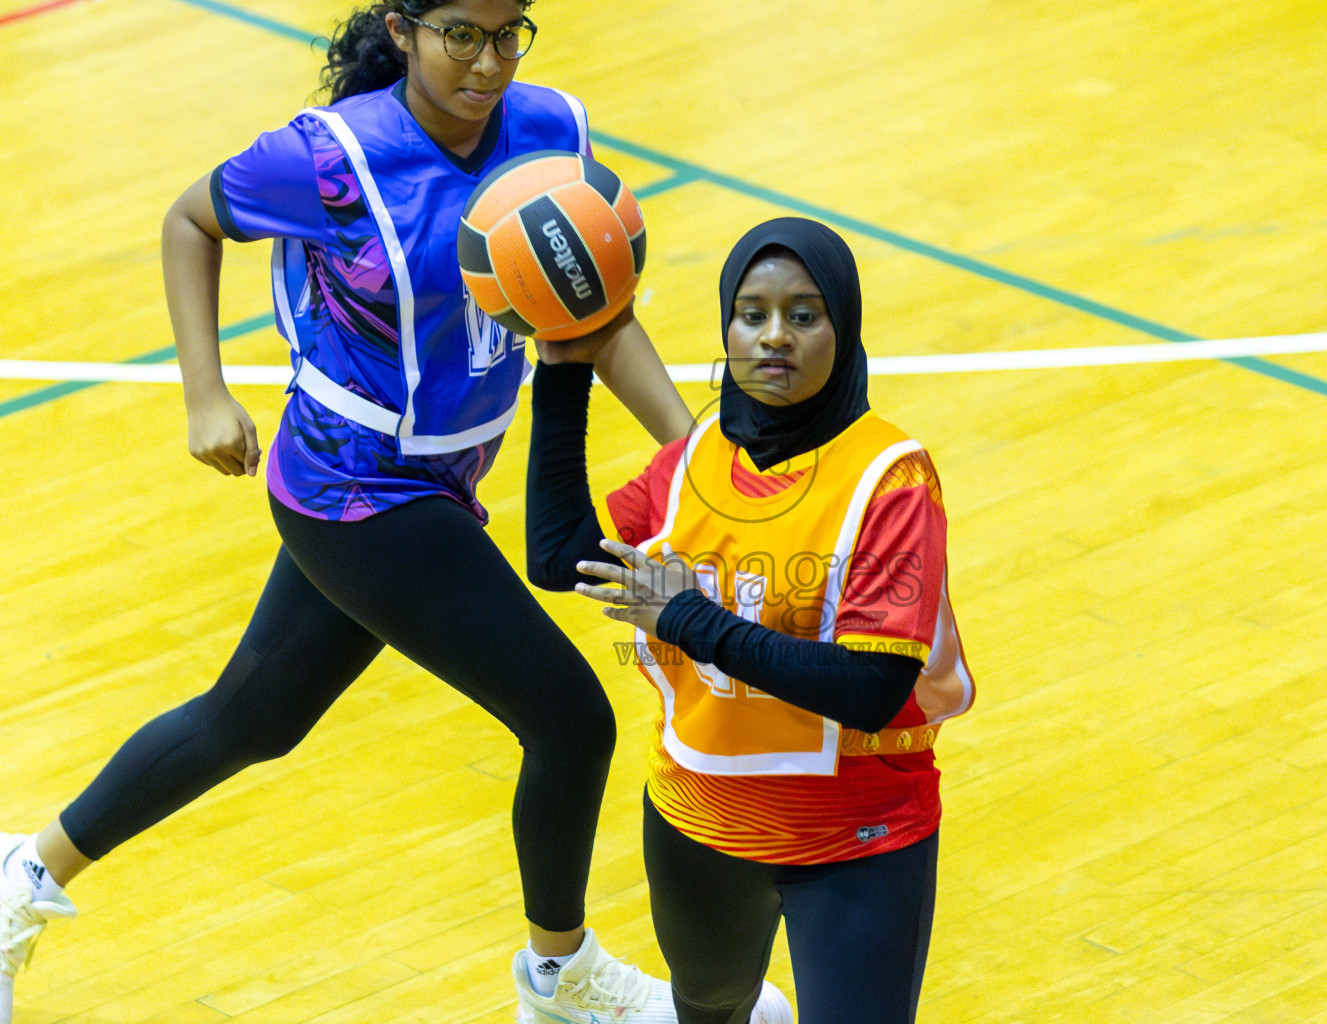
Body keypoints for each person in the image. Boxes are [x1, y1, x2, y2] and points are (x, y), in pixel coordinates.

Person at [0, 4, 791, 1023]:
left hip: (437, 486)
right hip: (351, 490)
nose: (490, 61)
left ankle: (22, 875)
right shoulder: (328, 160)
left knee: (252, 718)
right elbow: (189, 219)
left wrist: (699, 465)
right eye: (462, 34)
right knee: (569, 718)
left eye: (511, 34)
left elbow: (594, 318)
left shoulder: (551, 130)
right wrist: (205, 392)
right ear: (405, 29)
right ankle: (561, 981)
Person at [523, 217, 977, 1024]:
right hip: (699, 826)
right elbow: (560, 556)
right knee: (711, 1010)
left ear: (844, 327)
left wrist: (688, 617)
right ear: (727, 325)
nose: (775, 336)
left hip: (858, 841)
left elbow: (870, 689)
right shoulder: (694, 459)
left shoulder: (892, 480)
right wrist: (562, 376)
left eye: (805, 315)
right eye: (752, 313)